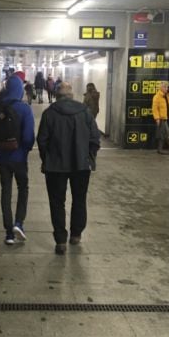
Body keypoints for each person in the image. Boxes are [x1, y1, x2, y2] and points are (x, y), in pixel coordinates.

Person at [37, 82, 100, 255]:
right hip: (81, 165)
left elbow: (42, 140)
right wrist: (89, 157)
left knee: (57, 202)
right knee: (79, 199)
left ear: (56, 96)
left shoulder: (49, 113)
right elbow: (95, 138)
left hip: (55, 167)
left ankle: (60, 240)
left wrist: (46, 159)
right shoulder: (85, 113)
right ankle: (76, 234)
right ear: (72, 95)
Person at [0, 75, 35, 245]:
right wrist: (25, 149)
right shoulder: (24, 109)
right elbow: (28, 137)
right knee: (23, 188)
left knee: (6, 191)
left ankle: (8, 233)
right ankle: (19, 223)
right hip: (19, 157)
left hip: (2, 156)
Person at [152, 81, 169, 156]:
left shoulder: (168, 96)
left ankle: (159, 149)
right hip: (162, 118)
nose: (166, 88)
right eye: (164, 87)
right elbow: (154, 109)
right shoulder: (157, 97)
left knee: (162, 134)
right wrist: (157, 118)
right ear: (161, 88)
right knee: (168, 133)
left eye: (167, 87)